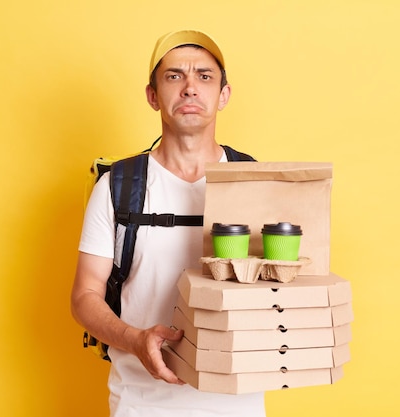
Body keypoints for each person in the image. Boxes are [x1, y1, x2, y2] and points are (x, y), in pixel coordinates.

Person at [71, 30, 266, 417]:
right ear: (153, 95)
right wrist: (136, 338)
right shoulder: (119, 185)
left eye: (205, 77)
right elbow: (84, 296)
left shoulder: (256, 182)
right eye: (175, 76)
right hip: (141, 403)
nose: (191, 88)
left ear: (223, 95)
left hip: (238, 403)